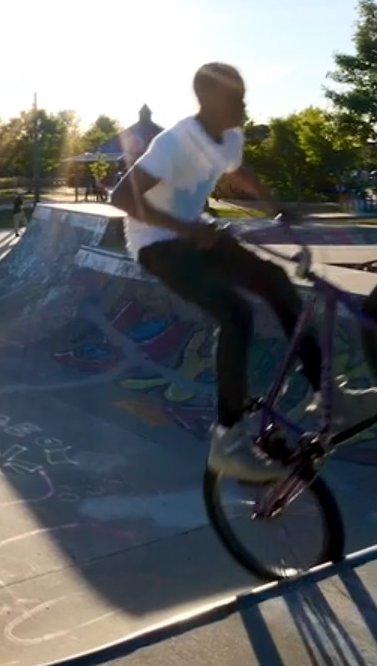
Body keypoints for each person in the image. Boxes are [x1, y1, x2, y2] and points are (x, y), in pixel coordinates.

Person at [110, 62, 318, 483]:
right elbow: (121, 196)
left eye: (244, 97)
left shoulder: (231, 137)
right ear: (206, 101)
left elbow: (237, 170)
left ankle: (326, 393)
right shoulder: (174, 142)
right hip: (159, 245)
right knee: (235, 312)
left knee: (277, 282)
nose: (244, 106)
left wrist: (273, 203)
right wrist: (185, 227)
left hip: (200, 238)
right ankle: (227, 437)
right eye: (235, 100)